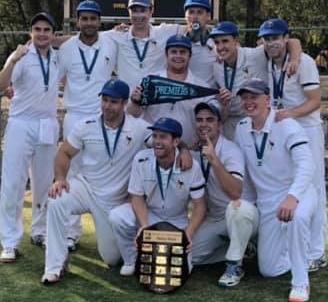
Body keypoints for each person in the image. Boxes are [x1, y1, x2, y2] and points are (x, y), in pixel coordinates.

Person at [41, 79, 151, 284]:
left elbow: (164, 141)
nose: (107, 106)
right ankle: (54, 266)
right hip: (86, 187)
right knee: (56, 199)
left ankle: (122, 245)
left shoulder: (139, 128)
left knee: (111, 258)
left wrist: (182, 149)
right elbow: (64, 152)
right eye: (105, 100)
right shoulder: (86, 125)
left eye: (114, 102)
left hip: (114, 200)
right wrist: (60, 179)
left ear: (125, 103)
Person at [235, 78, 316, 302]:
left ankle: (301, 283)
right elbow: (248, 174)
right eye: (245, 98)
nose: (249, 102)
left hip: (297, 192)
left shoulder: (287, 124)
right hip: (267, 201)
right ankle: (299, 251)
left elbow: (307, 164)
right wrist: (246, 204)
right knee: (269, 270)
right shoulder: (242, 128)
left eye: (254, 97)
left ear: (267, 100)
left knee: (297, 219)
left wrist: (292, 197)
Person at [258, 18, 327, 273]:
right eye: (267, 38)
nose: (272, 42)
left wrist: (292, 114)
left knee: (313, 189)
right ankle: (293, 247)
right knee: (290, 185)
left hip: (306, 128)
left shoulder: (304, 62)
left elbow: (315, 101)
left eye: (276, 37)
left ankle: (316, 253)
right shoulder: (267, 59)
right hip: (285, 127)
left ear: (285, 37)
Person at [0, 12, 60, 262]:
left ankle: (40, 232)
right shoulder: (21, 55)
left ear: (53, 34)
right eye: (37, 29)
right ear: (30, 32)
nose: (42, 34)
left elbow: (72, 41)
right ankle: (9, 242)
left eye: (46, 30)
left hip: (47, 124)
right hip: (21, 124)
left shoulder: (57, 57)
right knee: (13, 184)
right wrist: (12, 61)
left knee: (44, 184)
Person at [109, 117, 207, 276]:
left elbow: (200, 205)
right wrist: (144, 227)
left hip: (177, 221)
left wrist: (188, 233)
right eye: (155, 136)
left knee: (182, 271)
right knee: (117, 216)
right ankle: (131, 260)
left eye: (163, 137)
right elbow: (136, 196)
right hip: (150, 215)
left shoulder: (191, 166)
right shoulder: (141, 159)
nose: (157, 141)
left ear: (176, 142)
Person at [57, 0, 118, 251]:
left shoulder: (112, 43)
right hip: (74, 115)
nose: (89, 23)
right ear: (78, 21)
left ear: (99, 21)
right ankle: (71, 233)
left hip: (102, 116)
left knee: (105, 170)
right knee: (71, 172)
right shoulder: (67, 48)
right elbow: (54, 78)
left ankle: (113, 227)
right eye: (84, 19)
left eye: (93, 19)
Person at [189, 102, 259, 287]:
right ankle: (243, 247)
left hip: (242, 213)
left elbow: (235, 192)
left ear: (220, 124)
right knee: (189, 256)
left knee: (237, 208)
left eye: (210, 120)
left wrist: (214, 160)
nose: (204, 124)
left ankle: (234, 265)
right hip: (216, 218)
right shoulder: (195, 151)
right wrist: (182, 149)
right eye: (199, 120)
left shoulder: (230, 150)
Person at [208, 21, 303, 139]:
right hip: (230, 123)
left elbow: (292, 41)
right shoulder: (216, 65)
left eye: (225, 41)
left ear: (236, 41)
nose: (221, 47)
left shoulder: (254, 55)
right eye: (217, 42)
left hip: (258, 120)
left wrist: (294, 59)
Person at [127, 34, 213, 147]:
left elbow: (215, 119)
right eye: (174, 51)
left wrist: (224, 105)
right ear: (166, 55)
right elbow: (132, 115)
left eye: (182, 52)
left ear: (190, 56)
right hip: (153, 150)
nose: (178, 56)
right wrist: (135, 102)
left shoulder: (201, 86)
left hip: (189, 152)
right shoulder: (151, 81)